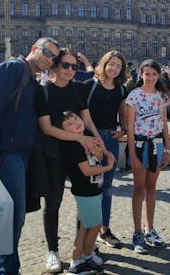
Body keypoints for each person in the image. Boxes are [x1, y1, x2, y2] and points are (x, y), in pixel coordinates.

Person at [0, 37, 59, 275]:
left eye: (53, 56)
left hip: (20, 154)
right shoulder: (13, 68)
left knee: (6, 215)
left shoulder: (29, 76)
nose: (49, 58)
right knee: (12, 218)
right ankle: (8, 270)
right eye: (46, 52)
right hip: (7, 154)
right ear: (34, 49)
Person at [36, 48, 110, 273]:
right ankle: (53, 251)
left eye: (74, 66)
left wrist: (98, 142)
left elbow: (87, 118)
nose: (70, 70)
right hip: (54, 153)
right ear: (54, 67)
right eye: (66, 65)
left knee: (86, 198)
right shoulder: (44, 91)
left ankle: (85, 249)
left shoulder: (76, 88)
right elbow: (47, 128)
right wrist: (80, 138)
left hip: (80, 152)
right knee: (54, 202)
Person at [54, 110, 114, 274]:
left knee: (90, 226)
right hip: (85, 192)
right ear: (65, 132)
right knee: (89, 227)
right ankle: (79, 261)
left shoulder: (86, 137)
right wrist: (108, 167)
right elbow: (87, 170)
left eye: (75, 118)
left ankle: (84, 258)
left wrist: (98, 150)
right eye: (69, 124)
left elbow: (97, 158)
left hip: (93, 190)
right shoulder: (73, 146)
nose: (75, 123)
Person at [82, 51, 128, 249]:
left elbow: (123, 112)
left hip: (110, 139)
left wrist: (123, 130)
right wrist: (95, 137)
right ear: (104, 64)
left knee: (107, 188)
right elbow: (84, 115)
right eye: (111, 64)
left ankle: (104, 230)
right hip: (91, 139)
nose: (114, 68)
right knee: (90, 188)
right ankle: (87, 233)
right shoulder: (89, 86)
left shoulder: (121, 89)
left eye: (118, 66)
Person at [125, 59, 170, 254]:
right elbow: (129, 128)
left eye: (154, 74)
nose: (150, 77)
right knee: (139, 188)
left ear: (159, 75)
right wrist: (132, 154)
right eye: (147, 74)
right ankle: (137, 233)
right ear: (141, 74)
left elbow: (165, 124)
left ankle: (149, 229)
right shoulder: (134, 95)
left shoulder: (162, 96)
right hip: (140, 145)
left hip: (158, 145)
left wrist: (168, 149)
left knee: (151, 187)